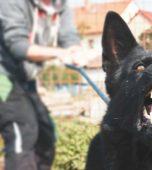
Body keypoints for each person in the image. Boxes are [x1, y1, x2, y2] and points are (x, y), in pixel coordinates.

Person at [0, 0, 97, 169]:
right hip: (3, 79)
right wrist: (60, 53)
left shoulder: (60, 5)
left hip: (26, 80)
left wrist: (75, 50)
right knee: (22, 132)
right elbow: (18, 46)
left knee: (46, 136)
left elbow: (68, 36)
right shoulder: (12, 2)